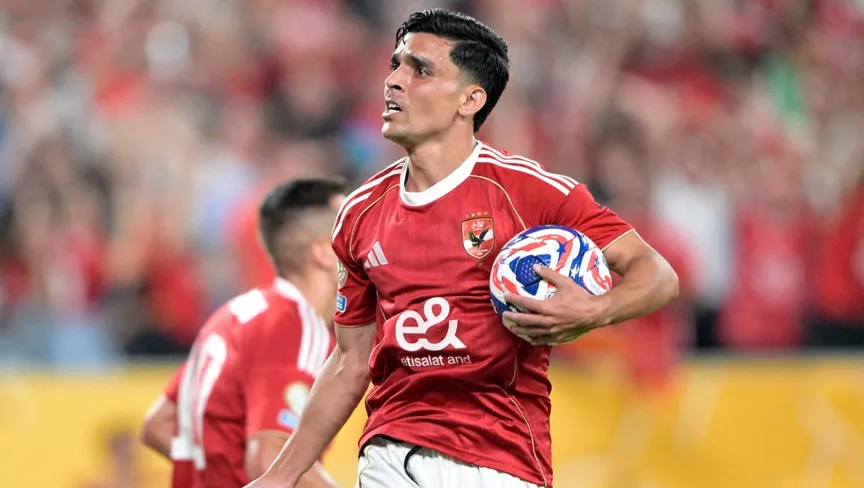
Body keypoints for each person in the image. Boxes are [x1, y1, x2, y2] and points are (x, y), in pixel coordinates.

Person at [249, 9, 679, 488]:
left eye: (420, 70)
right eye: (396, 65)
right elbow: (350, 361)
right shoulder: (359, 214)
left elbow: (656, 274)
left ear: (470, 99)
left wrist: (597, 309)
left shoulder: (530, 192)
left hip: (502, 459)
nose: (394, 81)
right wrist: (278, 478)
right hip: (391, 453)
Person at [140, 178, 346, 488]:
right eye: (351, 228)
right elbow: (268, 458)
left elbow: (159, 425)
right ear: (323, 253)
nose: (365, 241)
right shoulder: (296, 330)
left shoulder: (235, 316)